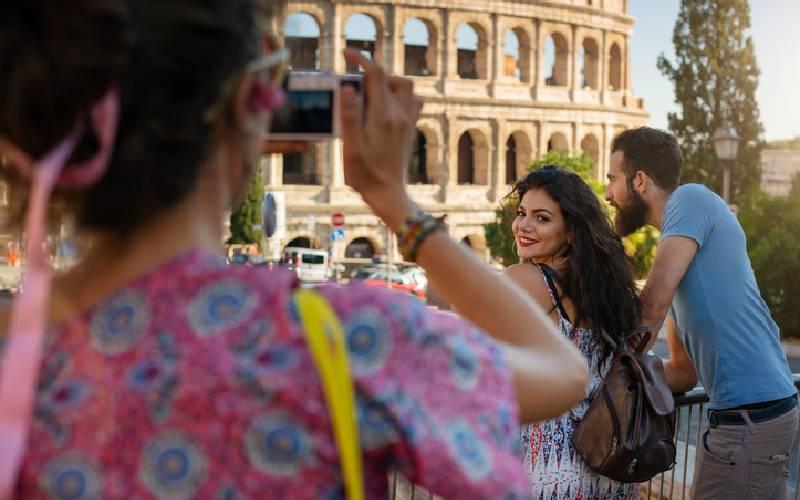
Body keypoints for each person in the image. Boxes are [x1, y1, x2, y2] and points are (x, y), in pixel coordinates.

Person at [0, 1, 589, 498]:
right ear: (245, 105)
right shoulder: (350, 339)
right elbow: (562, 371)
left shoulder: (12, 348)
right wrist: (394, 203)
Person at [605, 126, 799, 499]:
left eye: (613, 179)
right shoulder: (683, 255)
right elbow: (682, 371)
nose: (608, 193)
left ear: (640, 180)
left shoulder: (691, 199)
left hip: (749, 420)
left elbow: (651, 305)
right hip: (763, 414)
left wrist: (601, 373)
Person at [502, 166, 642, 499]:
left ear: (571, 230)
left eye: (542, 218)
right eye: (522, 213)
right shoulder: (611, 293)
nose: (524, 225)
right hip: (608, 468)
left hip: (545, 469)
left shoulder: (524, 281)